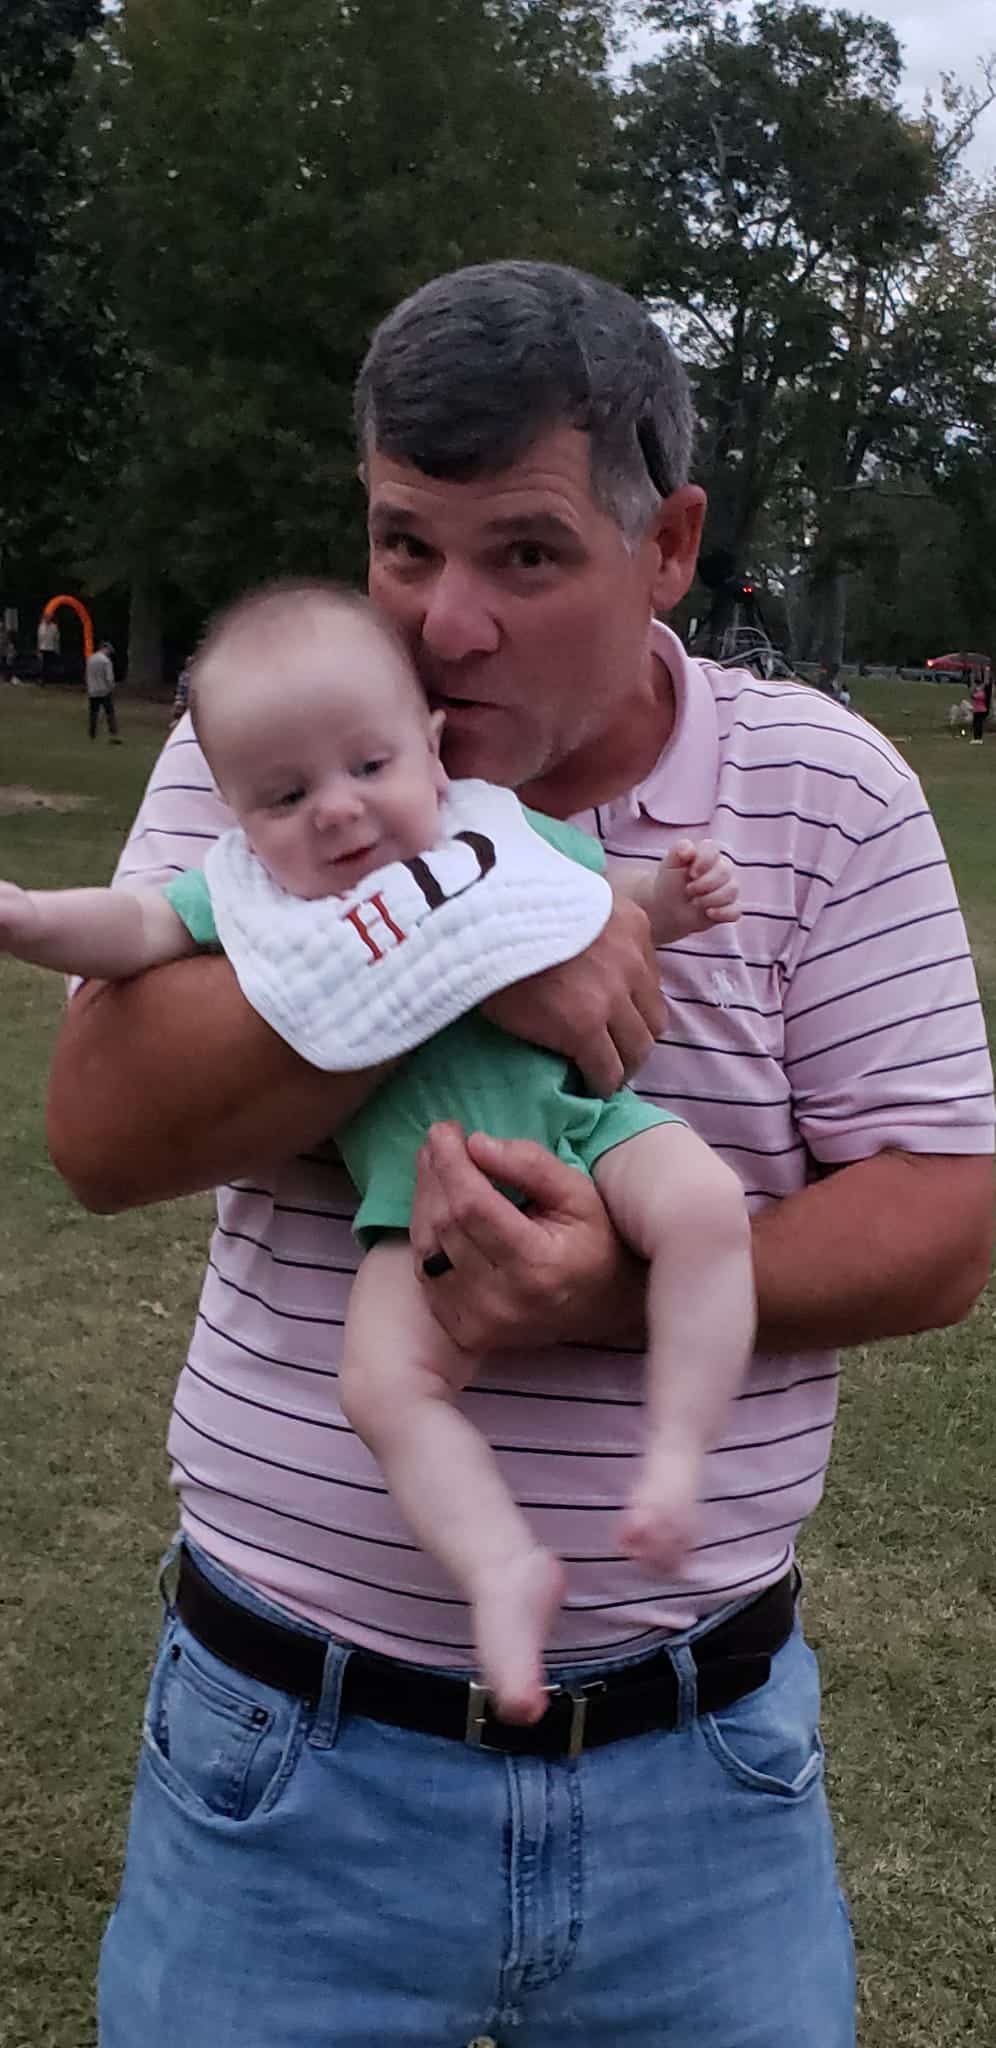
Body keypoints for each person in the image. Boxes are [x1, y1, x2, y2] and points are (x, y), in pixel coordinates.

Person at [46, 262, 993, 2048]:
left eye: (527, 555)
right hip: (286, 1751)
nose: (446, 624)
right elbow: (102, 1135)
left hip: (699, 1769)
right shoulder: (283, 741)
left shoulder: (827, 787)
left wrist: (598, 1292)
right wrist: (475, 930)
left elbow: (943, 1225)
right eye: (404, 545)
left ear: (669, 543)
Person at [1, 580, 752, 1723]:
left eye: (368, 765)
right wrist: (27, 916)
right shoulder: (250, 898)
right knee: (384, 1385)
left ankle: (678, 1455)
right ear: (237, 818)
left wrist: (676, 898)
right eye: (287, 794)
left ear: (431, 747)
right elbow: (136, 926)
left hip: (590, 1128)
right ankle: (499, 1564)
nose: (340, 811)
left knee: (705, 1208)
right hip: (417, 1196)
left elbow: (603, 898)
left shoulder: (489, 828)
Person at [85, 639, 121, 741]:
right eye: (109, 650)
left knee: (93, 713)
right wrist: (112, 687)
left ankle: (92, 732)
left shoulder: (90, 659)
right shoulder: (106, 661)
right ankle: (113, 731)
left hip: (93, 690)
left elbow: (87, 675)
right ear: (104, 648)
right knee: (109, 712)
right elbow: (109, 677)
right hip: (104, 691)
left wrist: (89, 686)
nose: (109, 653)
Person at [36, 610, 60, 681]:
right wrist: (38, 649)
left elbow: (56, 638)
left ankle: (48, 678)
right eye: (46, 617)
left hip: (51, 648)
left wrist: (57, 648)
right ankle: (42, 679)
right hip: (43, 648)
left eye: (49, 617)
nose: (47, 618)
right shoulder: (41, 626)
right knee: (43, 665)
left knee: (49, 664)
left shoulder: (54, 627)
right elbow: (39, 638)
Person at [970, 673, 988, 744]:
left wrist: (973, 688)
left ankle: (977, 738)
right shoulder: (981, 692)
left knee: (977, 725)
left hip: (978, 711)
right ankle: (979, 738)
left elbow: (972, 696)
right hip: (980, 710)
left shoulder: (980, 693)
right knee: (979, 724)